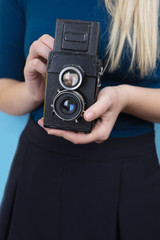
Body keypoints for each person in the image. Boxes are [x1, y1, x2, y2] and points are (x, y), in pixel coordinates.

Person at [0, 0, 160, 239]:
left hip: (128, 172)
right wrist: (34, 91)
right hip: (41, 165)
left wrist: (125, 98)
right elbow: (4, 88)